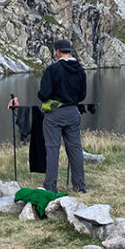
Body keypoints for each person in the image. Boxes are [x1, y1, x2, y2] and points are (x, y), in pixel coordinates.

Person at [37, 38, 87, 193]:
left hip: (55, 114)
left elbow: (44, 94)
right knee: (75, 148)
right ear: (70, 51)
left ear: (57, 51)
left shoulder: (53, 69)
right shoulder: (80, 70)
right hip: (73, 112)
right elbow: (82, 95)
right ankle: (79, 186)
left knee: (52, 149)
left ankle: (50, 186)